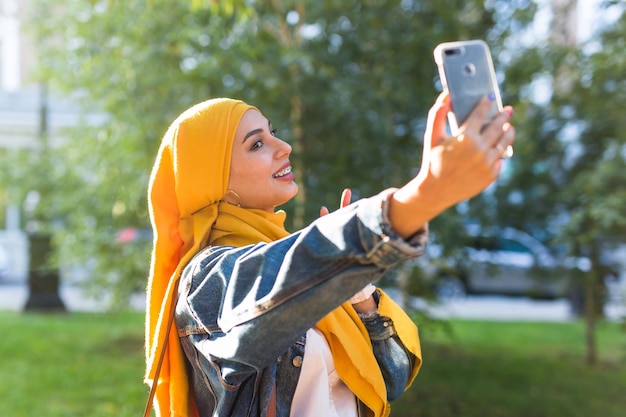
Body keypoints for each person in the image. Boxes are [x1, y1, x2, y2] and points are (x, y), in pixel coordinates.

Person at [144, 92, 516, 417]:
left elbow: (390, 380)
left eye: (273, 132)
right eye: (256, 144)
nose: (282, 146)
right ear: (214, 182)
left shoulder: (292, 256)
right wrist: (423, 195)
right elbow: (276, 284)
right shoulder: (207, 281)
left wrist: (358, 294)